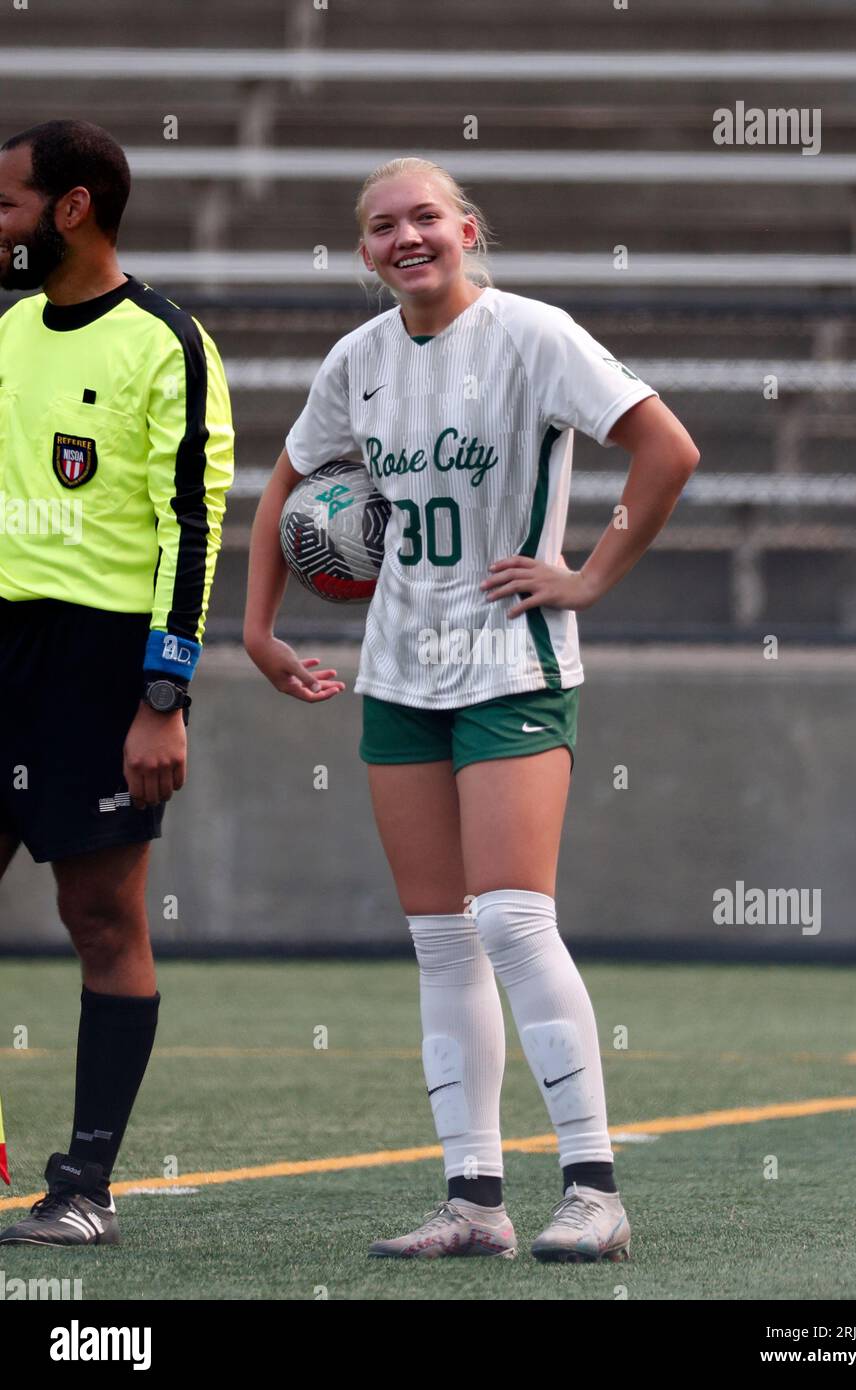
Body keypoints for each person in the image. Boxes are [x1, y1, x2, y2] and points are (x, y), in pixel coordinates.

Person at [244, 156, 698, 1262]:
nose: (406, 237)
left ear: (466, 227)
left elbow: (665, 448)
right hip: (399, 671)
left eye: (425, 218)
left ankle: (593, 1188)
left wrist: (585, 575)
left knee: (509, 918)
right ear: (364, 250)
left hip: (513, 663)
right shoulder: (357, 360)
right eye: (382, 226)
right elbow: (284, 490)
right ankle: (475, 1201)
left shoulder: (534, 334)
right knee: (442, 940)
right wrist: (256, 631)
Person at [0, 120, 234, 1245]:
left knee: (101, 915)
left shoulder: (166, 340)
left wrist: (164, 694)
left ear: (72, 207)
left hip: (98, 668)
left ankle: (82, 1187)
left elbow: (193, 526)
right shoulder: (3, 330)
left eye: (6, 205)